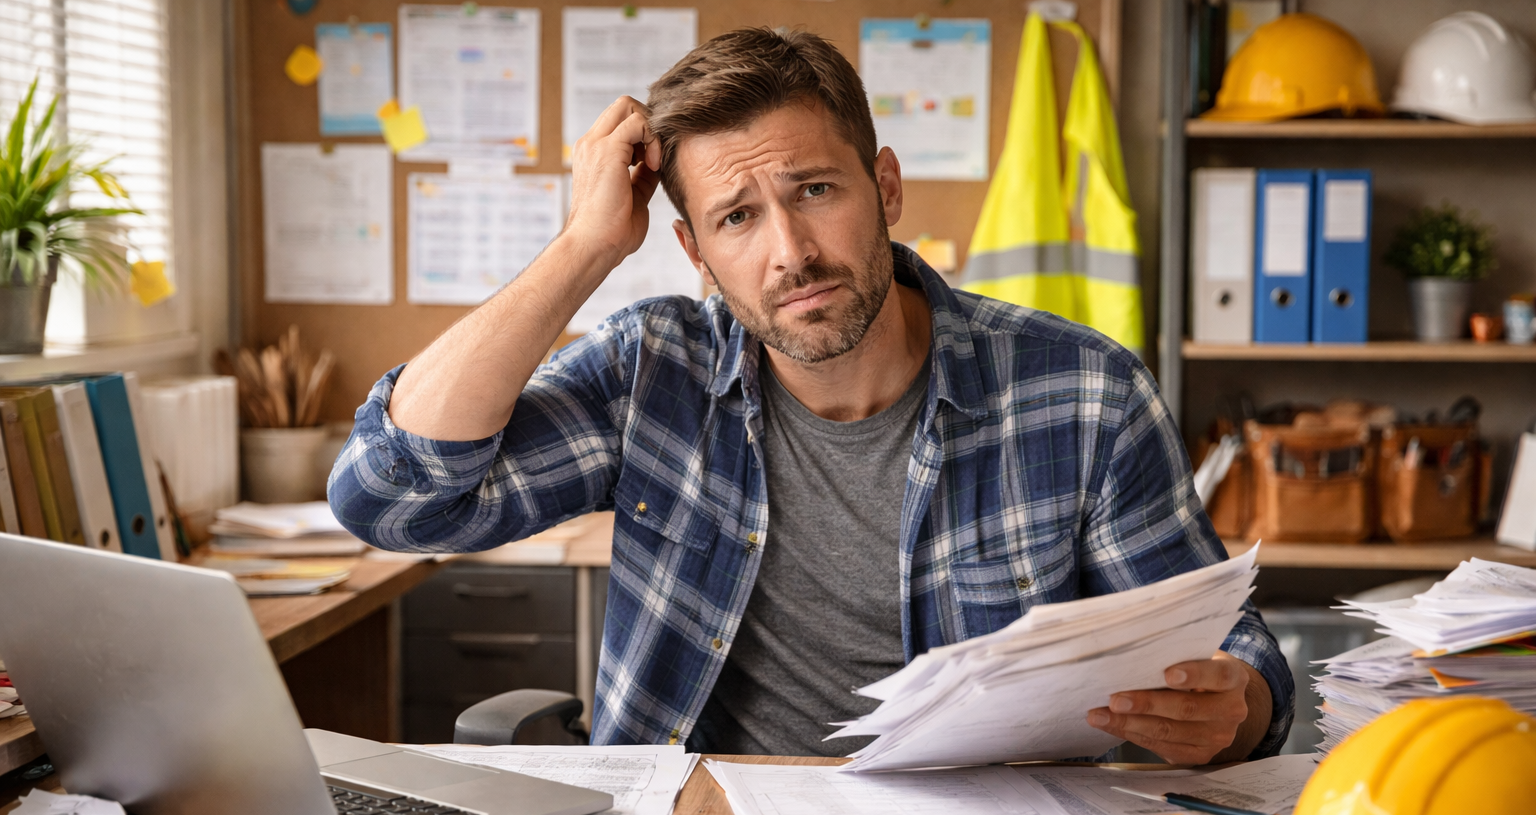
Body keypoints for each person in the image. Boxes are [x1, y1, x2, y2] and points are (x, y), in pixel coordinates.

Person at [329, 28, 1293, 762]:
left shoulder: (1084, 393)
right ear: (696, 255)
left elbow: (1232, 650)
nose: (790, 252)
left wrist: (1231, 705)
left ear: (886, 187)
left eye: (817, 192)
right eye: (738, 217)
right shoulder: (650, 373)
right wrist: (584, 248)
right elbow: (392, 499)